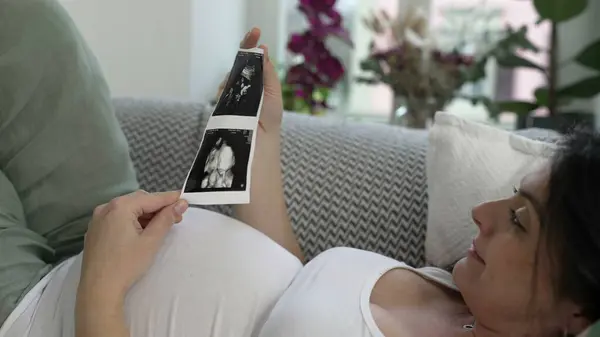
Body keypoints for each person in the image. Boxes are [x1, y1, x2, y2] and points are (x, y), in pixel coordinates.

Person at [1, 28, 600, 337]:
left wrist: (102, 292)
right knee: (28, 25)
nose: (482, 213)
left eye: (520, 222)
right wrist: (262, 135)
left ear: (577, 313)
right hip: (83, 240)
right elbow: (294, 281)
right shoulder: (459, 291)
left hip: (35, 317)